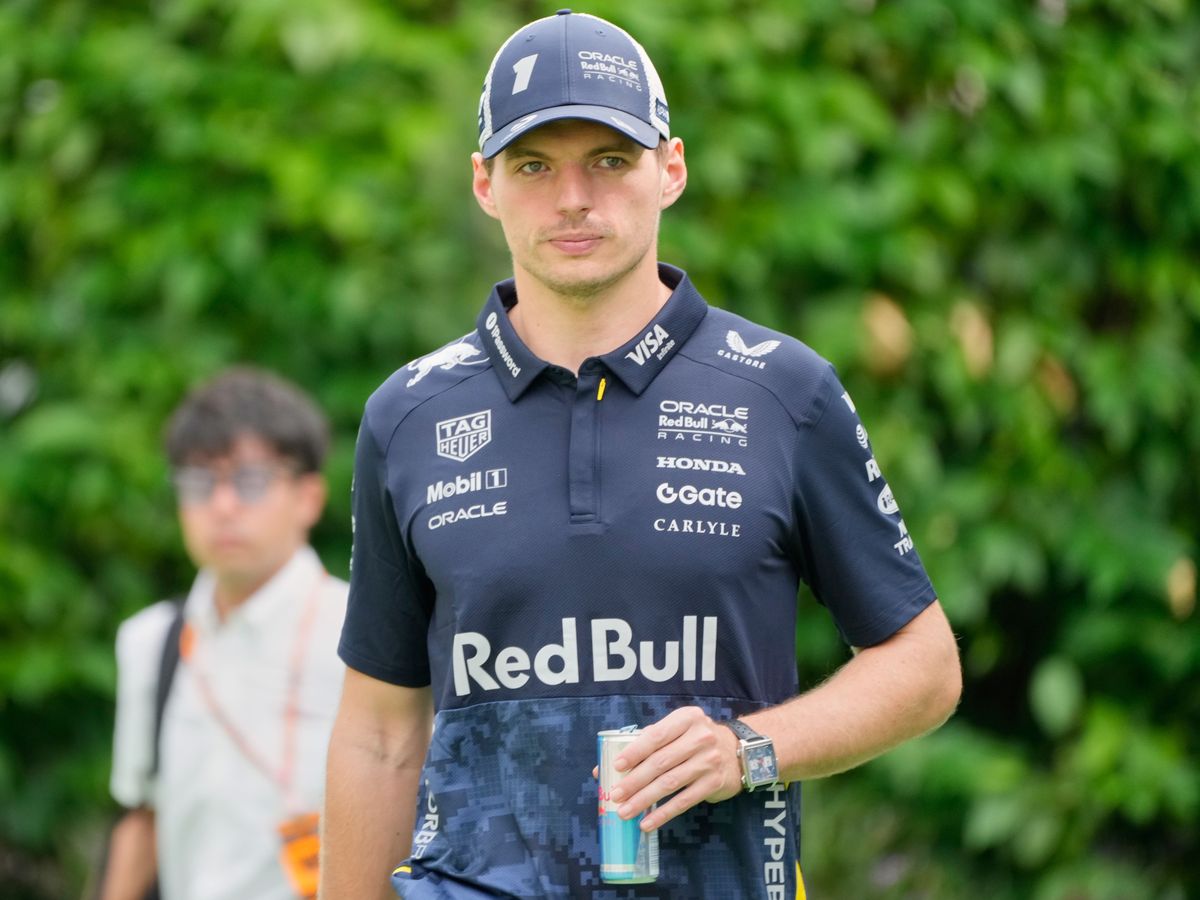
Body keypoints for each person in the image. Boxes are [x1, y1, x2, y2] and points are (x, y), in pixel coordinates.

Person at [321, 10, 962, 899]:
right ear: (483, 183)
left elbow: (924, 667)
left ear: (671, 170)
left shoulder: (785, 390)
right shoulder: (409, 415)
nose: (572, 198)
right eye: (533, 165)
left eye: (610, 161)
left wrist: (748, 749)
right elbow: (380, 735)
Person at [100, 367, 349, 900]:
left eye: (250, 481)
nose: (223, 505)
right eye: (199, 482)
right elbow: (140, 816)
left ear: (309, 496)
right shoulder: (151, 642)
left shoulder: (365, 634)